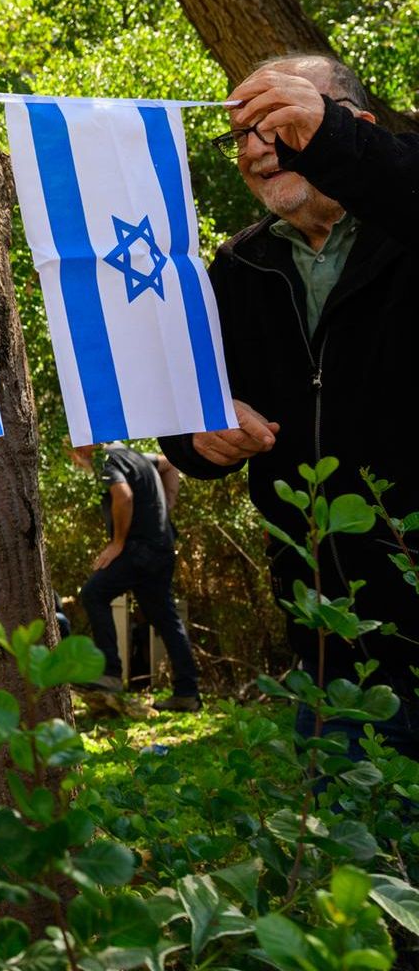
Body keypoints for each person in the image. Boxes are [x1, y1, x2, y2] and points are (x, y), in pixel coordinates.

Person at [160, 53, 418, 757]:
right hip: (330, 648)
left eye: (278, 121)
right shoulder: (236, 269)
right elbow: (189, 403)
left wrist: (335, 143)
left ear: (353, 127)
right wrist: (198, 434)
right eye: (240, 132)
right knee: (359, 861)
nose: (254, 149)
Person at [69, 443, 201, 711]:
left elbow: (124, 496)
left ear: (88, 444)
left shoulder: (106, 461)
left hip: (138, 549)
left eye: (77, 447)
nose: (77, 454)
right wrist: (168, 504)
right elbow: (170, 463)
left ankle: (110, 674)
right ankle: (187, 693)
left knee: (94, 594)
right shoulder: (133, 455)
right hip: (162, 547)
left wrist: (117, 543)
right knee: (165, 616)